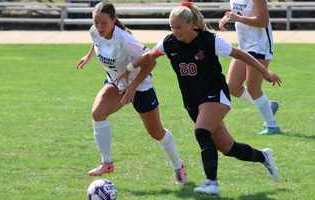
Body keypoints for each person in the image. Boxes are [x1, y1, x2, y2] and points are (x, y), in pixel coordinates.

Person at [113, 2, 281, 196]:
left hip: (215, 94)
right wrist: (128, 69)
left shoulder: (210, 41)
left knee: (201, 132)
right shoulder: (169, 42)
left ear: (191, 24)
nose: (175, 31)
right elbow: (149, 55)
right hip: (193, 102)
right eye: (172, 27)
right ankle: (264, 157)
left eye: (179, 27)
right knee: (228, 148)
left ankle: (212, 183)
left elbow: (239, 53)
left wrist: (264, 70)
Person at [75, 1, 187, 185]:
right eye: (96, 22)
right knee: (97, 113)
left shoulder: (125, 39)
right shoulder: (95, 31)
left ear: (113, 21)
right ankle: (107, 163)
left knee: (156, 132)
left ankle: (177, 165)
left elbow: (151, 62)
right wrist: (88, 57)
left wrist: (134, 85)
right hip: (116, 83)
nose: (99, 27)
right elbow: (97, 40)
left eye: (104, 23)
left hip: (140, 86)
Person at [218, 0, 281, 135]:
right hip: (244, 45)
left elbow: (263, 21)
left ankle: (272, 126)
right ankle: (269, 105)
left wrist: (238, 18)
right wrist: (228, 17)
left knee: (253, 88)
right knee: (232, 86)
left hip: (260, 45)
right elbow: (239, 13)